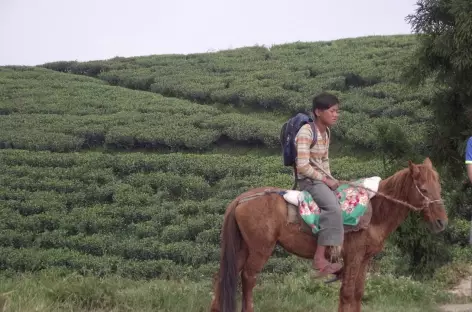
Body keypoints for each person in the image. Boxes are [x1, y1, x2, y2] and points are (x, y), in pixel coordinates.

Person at [294, 92, 343, 276]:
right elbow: (303, 166)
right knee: (333, 208)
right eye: (332, 111)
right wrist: (325, 180)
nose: (336, 115)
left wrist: (331, 178)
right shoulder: (307, 132)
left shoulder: (326, 132)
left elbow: (324, 160)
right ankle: (320, 258)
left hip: (320, 179)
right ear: (318, 112)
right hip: (309, 181)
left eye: (337, 111)